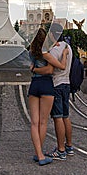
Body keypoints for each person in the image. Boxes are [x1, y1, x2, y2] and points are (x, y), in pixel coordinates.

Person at [28, 27, 69, 166]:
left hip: (34, 85)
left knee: (34, 123)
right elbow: (57, 68)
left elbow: (32, 67)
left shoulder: (31, 53)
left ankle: (38, 153)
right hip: (46, 86)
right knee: (43, 122)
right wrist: (64, 54)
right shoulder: (46, 53)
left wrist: (33, 69)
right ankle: (40, 155)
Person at [46, 28, 74, 160]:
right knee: (66, 117)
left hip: (57, 84)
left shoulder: (53, 50)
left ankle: (60, 150)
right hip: (67, 83)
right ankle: (69, 146)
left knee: (58, 117)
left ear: (52, 35)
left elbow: (50, 69)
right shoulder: (68, 47)